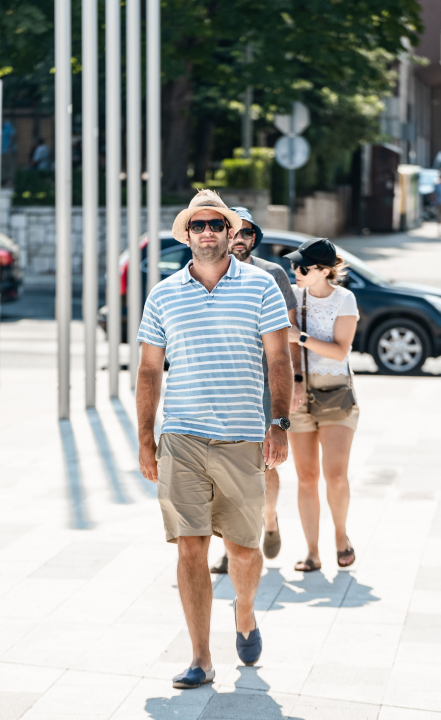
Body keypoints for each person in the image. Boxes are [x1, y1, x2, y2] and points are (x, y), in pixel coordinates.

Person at [136, 189, 292, 689]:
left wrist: (280, 423)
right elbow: (147, 370)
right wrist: (145, 438)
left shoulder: (261, 287)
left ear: (231, 233)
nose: (208, 232)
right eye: (198, 225)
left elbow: (279, 360)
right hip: (181, 437)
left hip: (243, 436)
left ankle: (244, 614)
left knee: (244, 550)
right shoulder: (163, 294)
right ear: (186, 234)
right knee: (189, 548)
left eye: (217, 225)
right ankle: (201, 658)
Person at [209, 207, 299, 575]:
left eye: (247, 233)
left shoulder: (271, 274)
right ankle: (233, 548)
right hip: (220, 387)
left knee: (263, 464)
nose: (240, 239)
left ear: (253, 239)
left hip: (262, 384)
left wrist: (294, 387)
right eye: (234, 232)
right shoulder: (209, 275)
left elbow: (290, 335)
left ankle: (270, 518)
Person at [285, 238, 360, 572]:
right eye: (295, 265)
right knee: (306, 477)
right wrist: (295, 382)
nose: (296, 271)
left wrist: (300, 336)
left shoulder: (344, 299)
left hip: (335, 391)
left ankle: (341, 536)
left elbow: (340, 350)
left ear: (325, 270)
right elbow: (282, 344)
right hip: (298, 393)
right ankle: (312, 552)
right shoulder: (290, 294)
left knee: (336, 475)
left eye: (304, 267)